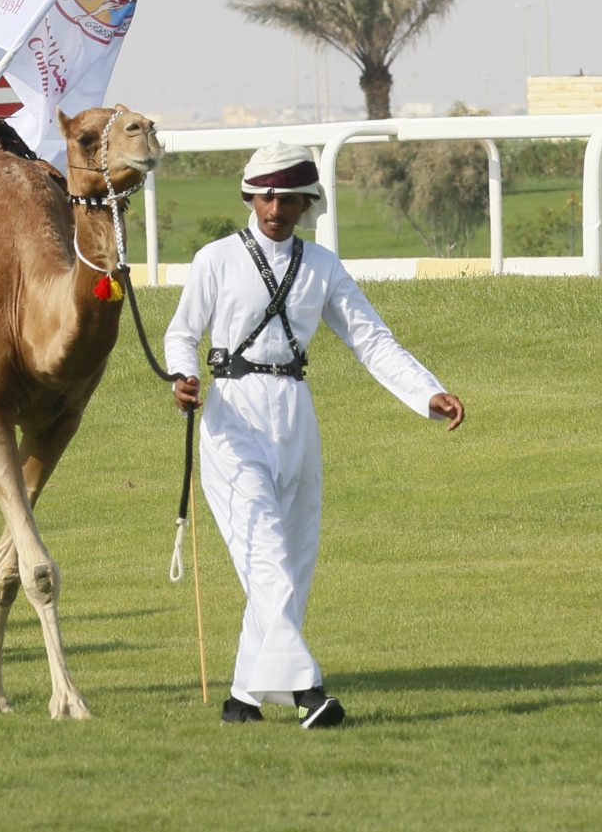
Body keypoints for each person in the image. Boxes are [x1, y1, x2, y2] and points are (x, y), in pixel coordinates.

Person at [162, 142, 466, 729]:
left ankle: (244, 702)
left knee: (292, 562)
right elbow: (182, 334)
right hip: (232, 415)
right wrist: (185, 375)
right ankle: (309, 693)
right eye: (267, 194)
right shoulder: (216, 259)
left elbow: (371, 339)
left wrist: (427, 392)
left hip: (296, 414)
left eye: (290, 198)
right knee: (266, 554)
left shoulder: (323, 267)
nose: (276, 206)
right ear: (250, 196)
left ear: (308, 204)